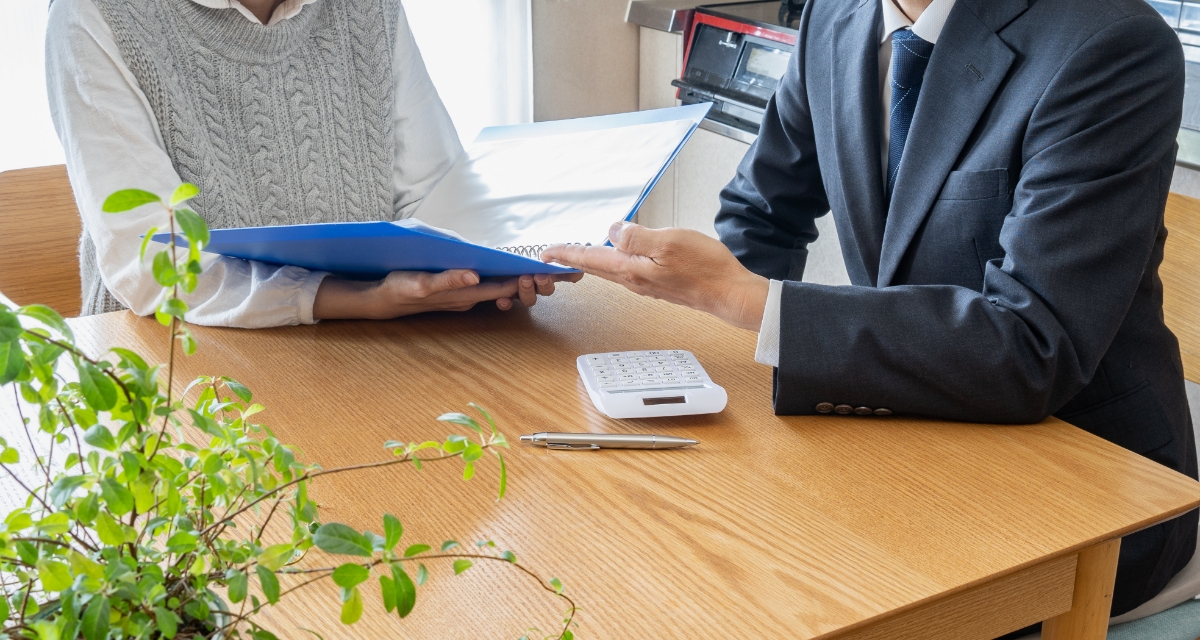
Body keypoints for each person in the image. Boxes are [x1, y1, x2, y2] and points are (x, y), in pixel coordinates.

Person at [543, 0, 1197, 626]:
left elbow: (1034, 345)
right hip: (910, 432)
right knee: (673, 561)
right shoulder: (838, 13)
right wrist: (702, 338)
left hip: (1086, 487)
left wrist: (755, 304)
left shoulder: (1111, 46)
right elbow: (761, 216)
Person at [46, 0, 573, 327]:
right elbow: (154, 263)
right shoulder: (95, 13)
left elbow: (434, 191)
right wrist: (352, 299)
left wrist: (483, 268)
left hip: (375, 347)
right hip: (179, 359)